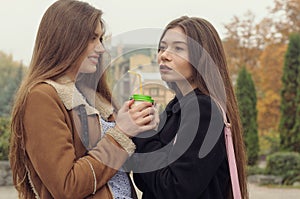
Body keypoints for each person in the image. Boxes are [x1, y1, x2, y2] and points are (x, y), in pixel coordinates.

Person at [9, 0, 158, 198]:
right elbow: (67, 186)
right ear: (66, 39)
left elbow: (118, 170)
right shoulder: (42, 97)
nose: (101, 48)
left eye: (100, 39)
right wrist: (120, 133)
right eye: (92, 39)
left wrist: (139, 127)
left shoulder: (95, 97)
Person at [131, 16, 248, 199]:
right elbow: (146, 180)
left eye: (178, 48)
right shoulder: (176, 106)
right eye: (162, 47)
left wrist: (144, 134)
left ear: (202, 56)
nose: (164, 55)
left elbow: (176, 189)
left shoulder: (203, 109)